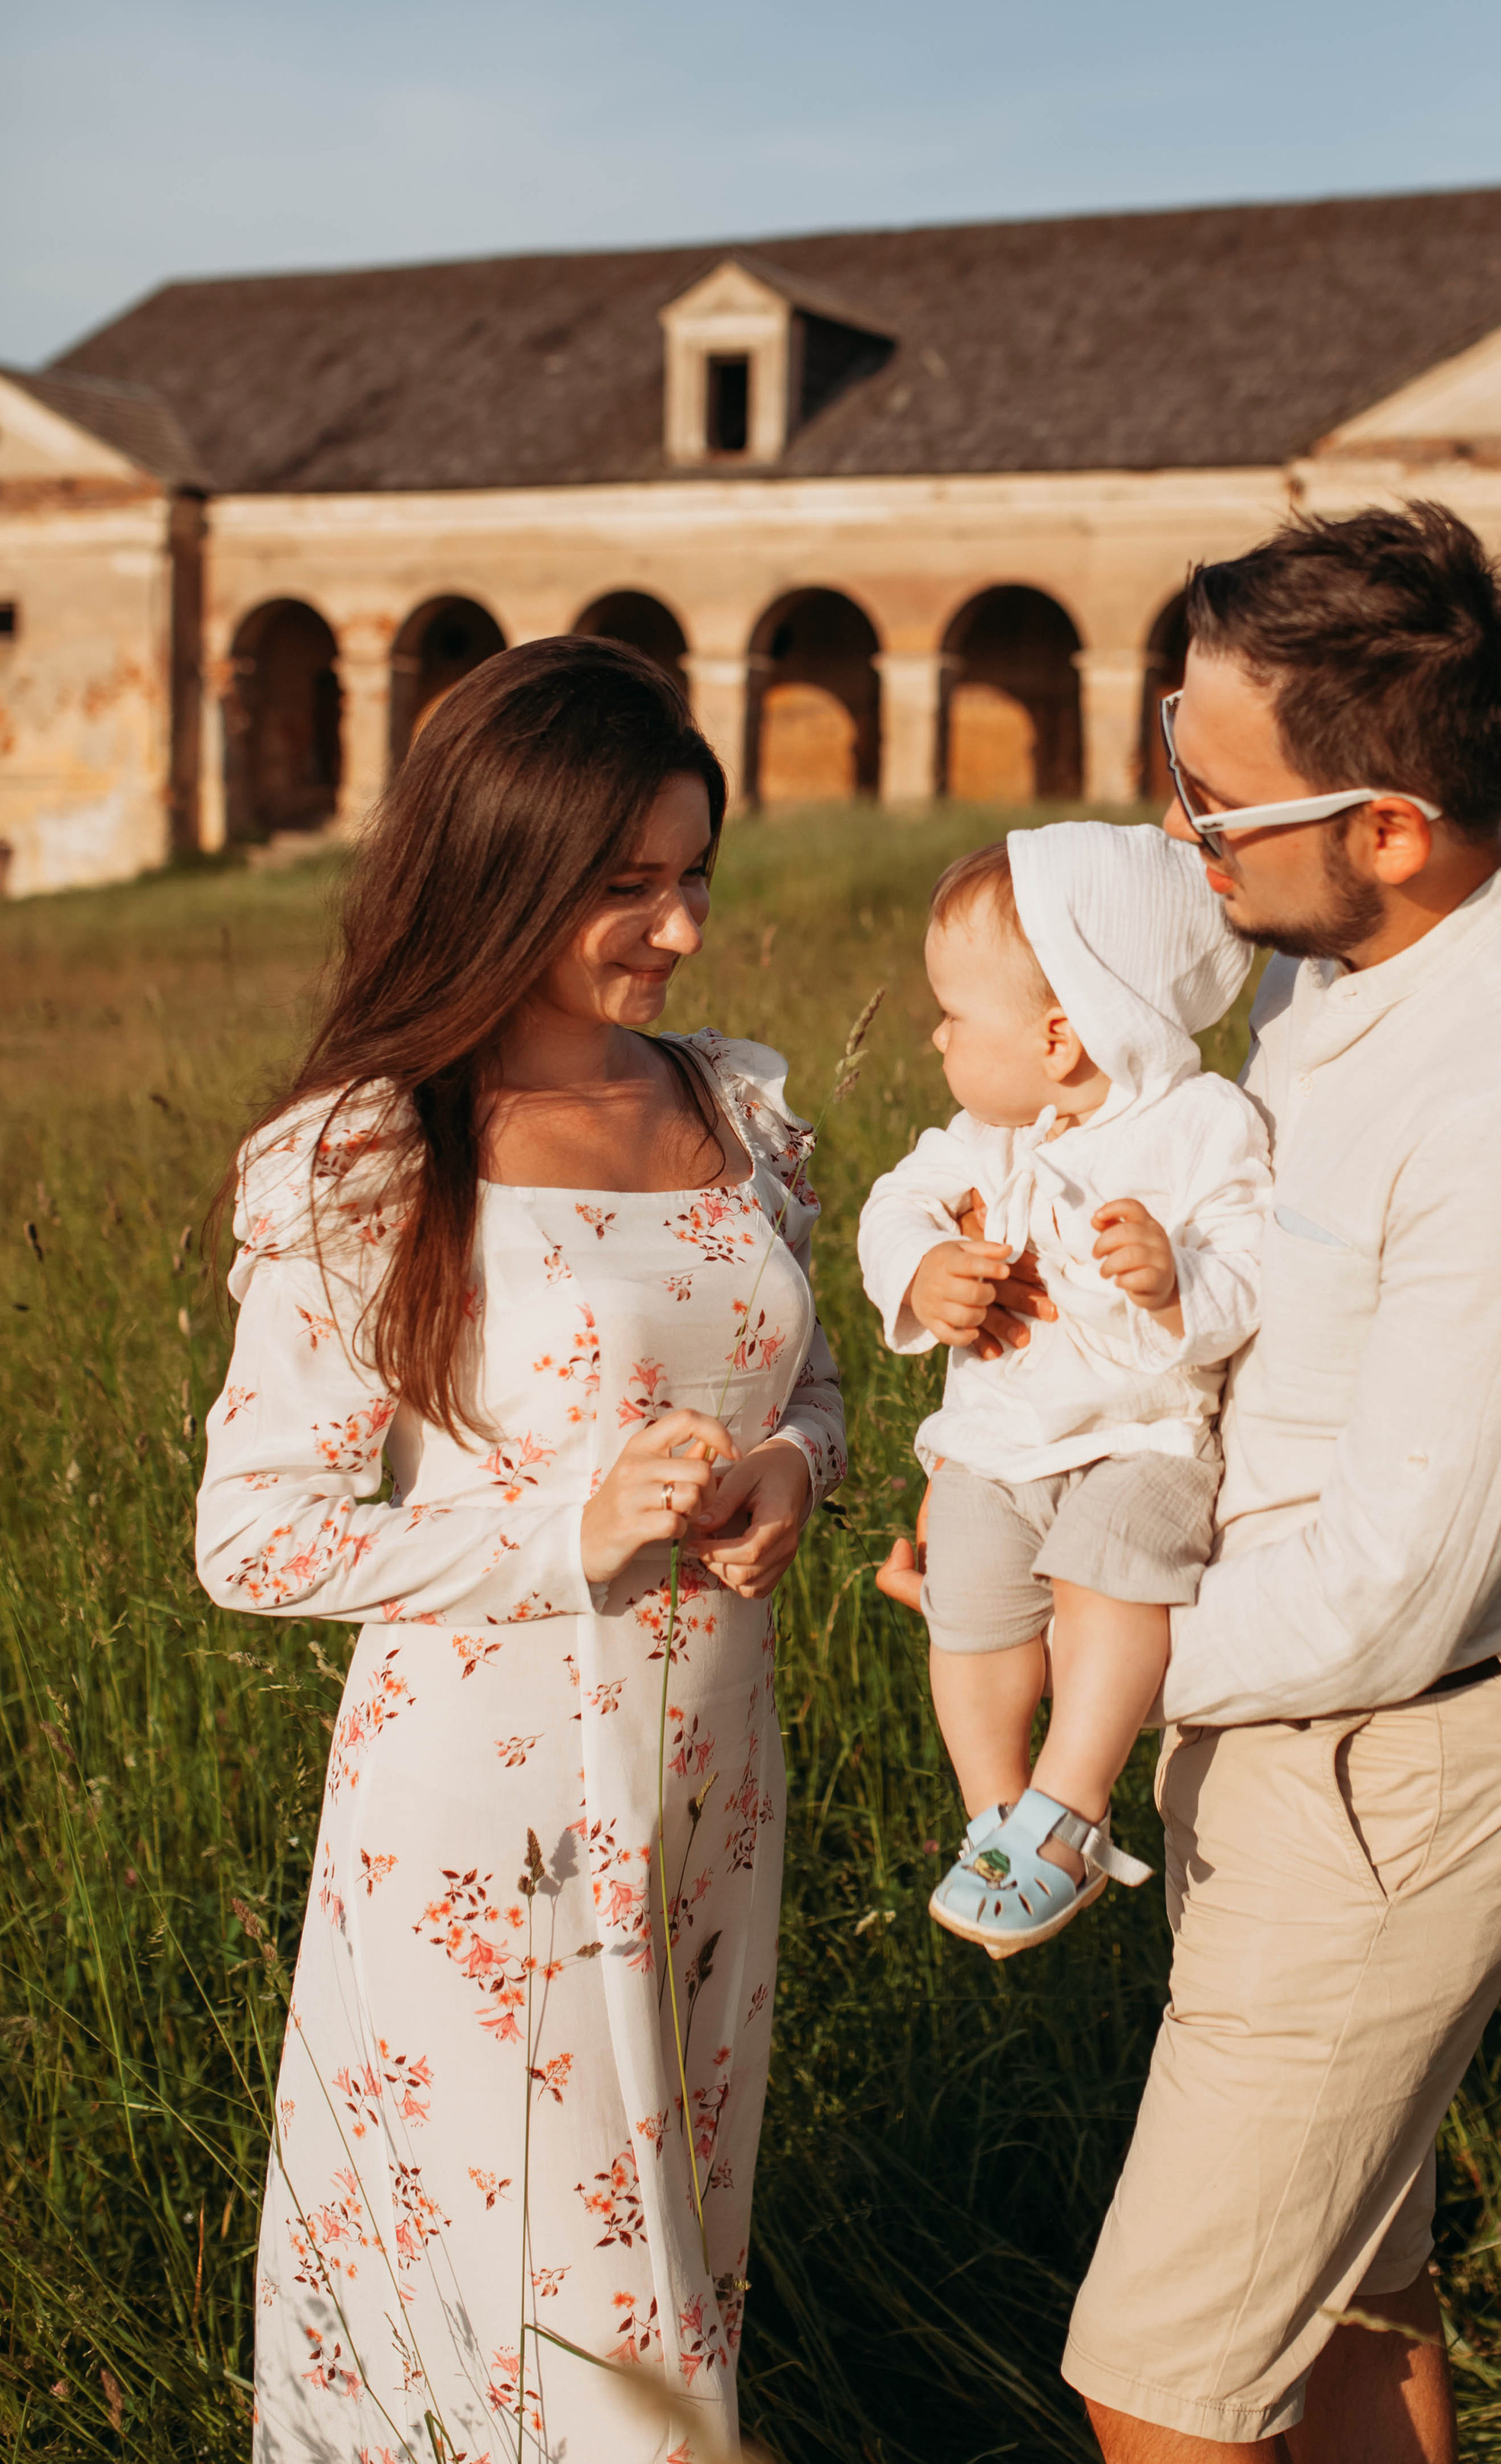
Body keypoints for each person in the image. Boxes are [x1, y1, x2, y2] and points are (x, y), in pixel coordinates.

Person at [889, 503, 1501, 2462]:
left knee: (1153, 2378)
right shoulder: (1334, 971)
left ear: (1392, 822)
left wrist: (1084, 1652)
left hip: (1384, 1766)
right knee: (1347, 2286)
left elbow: (1393, 1583)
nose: (1181, 834)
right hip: (1276, 1742)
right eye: (1178, 766)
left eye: (1217, 804)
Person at [197, 637, 846, 2463]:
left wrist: (795, 1470)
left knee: (671, 2275)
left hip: (714, 1792)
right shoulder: (373, 1151)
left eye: (692, 874)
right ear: (497, 868)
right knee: (552, 2331)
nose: (678, 930)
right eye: (623, 885)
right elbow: (253, 1536)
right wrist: (557, 1528)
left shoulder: (733, 1105)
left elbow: (807, 1388)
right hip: (490, 1825)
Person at [857, 824, 1270, 1953]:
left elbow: (1248, 1265)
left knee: (1111, 1578)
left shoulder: (1202, 1126)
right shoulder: (986, 1137)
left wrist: (1175, 1279)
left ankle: (1072, 1805)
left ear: (1059, 1035)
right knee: (972, 1606)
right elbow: (893, 1205)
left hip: (1143, 1437)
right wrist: (922, 1270)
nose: (936, 1034)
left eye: (954, 1014)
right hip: (996, 1447)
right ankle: (994, 1810)